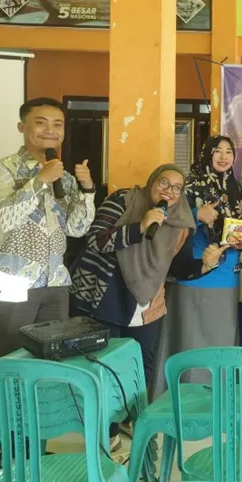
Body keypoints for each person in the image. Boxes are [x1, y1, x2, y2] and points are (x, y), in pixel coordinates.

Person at [0, 97, 95, 419]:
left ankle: (35, 438)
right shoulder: (1, 169)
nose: (50, 130)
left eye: (57, 125)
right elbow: (3, 219)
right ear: (22, 127)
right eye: (41, 123)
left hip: (54, 282)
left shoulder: (64, 177)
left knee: (47, 362)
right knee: (6, 360)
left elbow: (77, 228)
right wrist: (39, 180)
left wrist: (86, 190)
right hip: (10, 282)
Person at [69, 164, 195, 394]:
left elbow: (179, 268)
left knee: (140, 366)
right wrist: (140, 226)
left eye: (177, 188)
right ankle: (106, 417)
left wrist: (207, 264)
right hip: (105, 294)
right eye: (164, 183)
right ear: (152, 181)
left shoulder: (181, 222)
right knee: (105, 366)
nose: (169, 191)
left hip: (147, 305)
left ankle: (137, 414)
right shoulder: (124, 200)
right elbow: (95, 240)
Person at [154, 136, 242, 394]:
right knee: (190, 341)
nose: (224, 156)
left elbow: (237, 227)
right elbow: (167, 220)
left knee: (221, 341)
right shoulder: (189, 185)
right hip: (194, 272)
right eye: (218, 151)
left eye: (229, 152)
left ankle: (219, 399)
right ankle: (186, 398)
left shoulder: (235, 188)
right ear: (207, 153)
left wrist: (241, 241)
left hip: (227, 276)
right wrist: (197, 215)